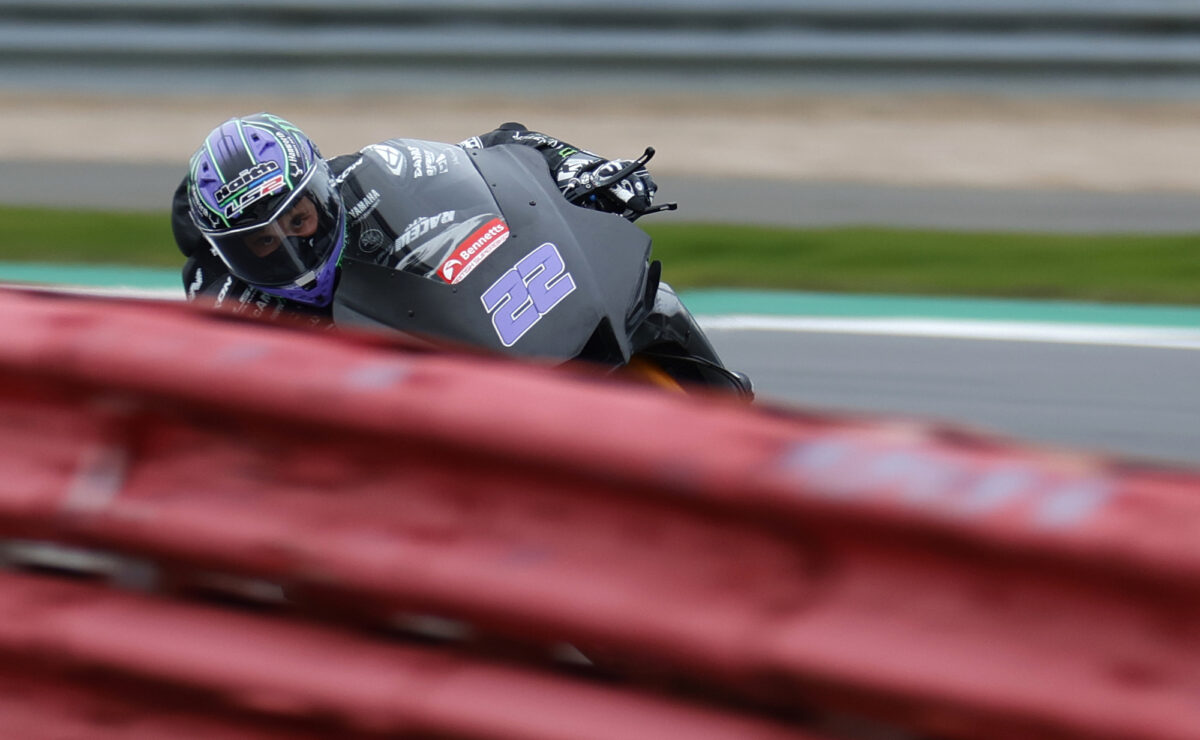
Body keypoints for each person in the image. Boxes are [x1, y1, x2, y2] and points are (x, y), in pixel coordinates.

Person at [171, 112, 658, 324]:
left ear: (322, 191)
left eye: (297, 221)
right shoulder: (228, 305)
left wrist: (579, 168)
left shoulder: (373, 173)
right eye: (263, 243)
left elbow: (498, 147)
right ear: (228, 251)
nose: (293, 249)